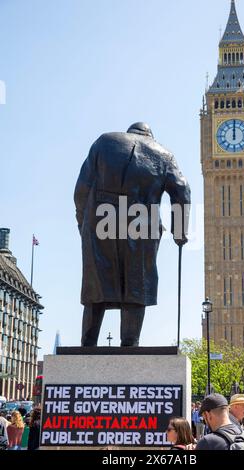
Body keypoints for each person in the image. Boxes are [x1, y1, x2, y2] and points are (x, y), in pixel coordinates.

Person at [74, 122, 191, 347]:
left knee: (96, 283)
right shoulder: (164, 154)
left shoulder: (104, 141)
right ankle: (130, 344)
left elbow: (81, 189)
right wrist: (179, 231)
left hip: (99, 218)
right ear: (149, 135)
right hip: (142, 222)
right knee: (137, 283)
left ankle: (87, 344)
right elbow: (182, 190)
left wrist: (83, 223)